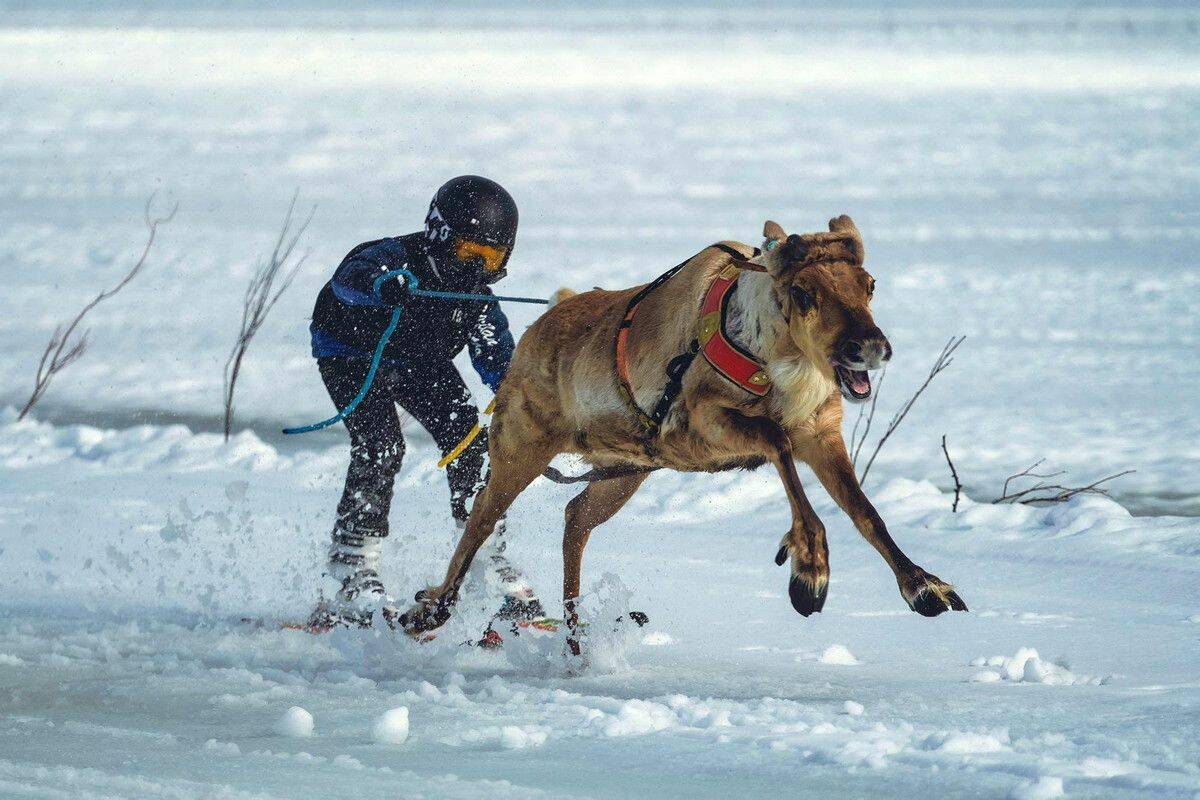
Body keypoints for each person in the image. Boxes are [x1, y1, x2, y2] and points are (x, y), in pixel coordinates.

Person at [307, 175, 541, 630]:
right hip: (353, 354)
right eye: (469, 253)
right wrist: (385, 287)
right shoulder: (395, 258)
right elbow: (349, 278)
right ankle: (353, 567)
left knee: (473, 445)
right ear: (439, 235)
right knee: (381, 447)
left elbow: (499, 365)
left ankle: (483, 560)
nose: (477, 269)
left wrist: (526, 405)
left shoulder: (477, 303)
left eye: (490, 258)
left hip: (421, 362)